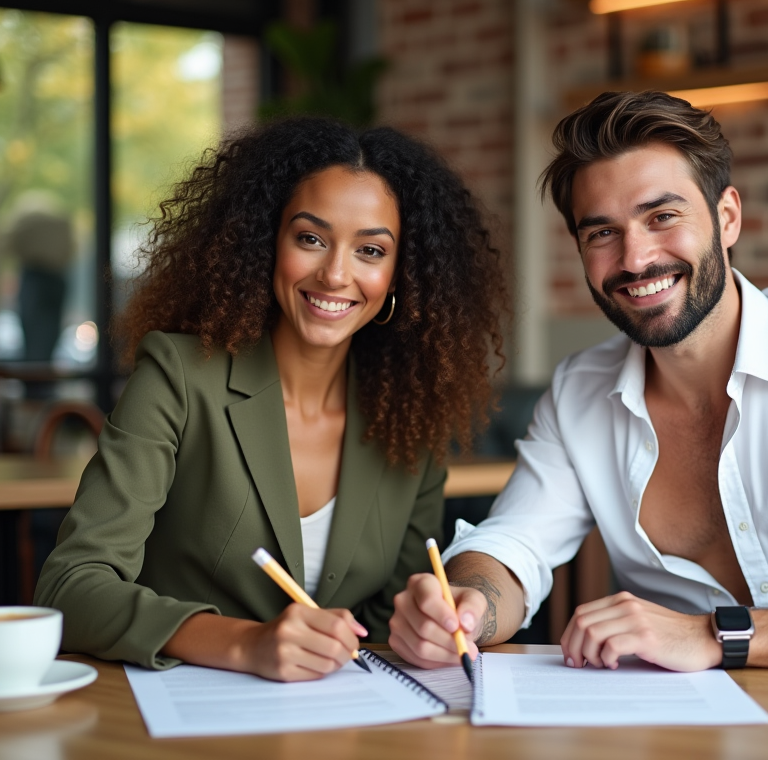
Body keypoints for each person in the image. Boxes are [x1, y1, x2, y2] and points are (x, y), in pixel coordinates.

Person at [390, 91, 768, 675]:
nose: (634, 258)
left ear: (727, 217)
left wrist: (713, 634)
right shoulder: (579, 391)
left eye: (662, 217)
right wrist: (467, 605)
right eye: (601, 232)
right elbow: (514, 545)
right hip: (680, 731)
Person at [36, 117, 507, 681]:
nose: (335, 274)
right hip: (181, 714)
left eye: (371, 251)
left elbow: (388, 618)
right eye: (310, 238)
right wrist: (243, 644)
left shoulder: (411, 415)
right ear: (266, 241)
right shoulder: (180, 376)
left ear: (401, 273)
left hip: (343, 716)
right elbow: (72, 584)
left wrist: (423, 628)